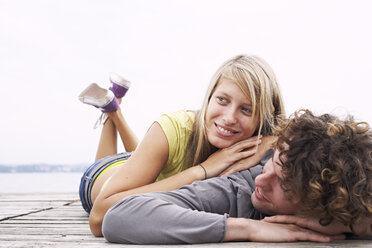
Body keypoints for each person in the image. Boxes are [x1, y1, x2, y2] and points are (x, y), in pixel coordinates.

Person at [78, 55, 285, 236]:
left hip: (148, 169)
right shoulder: (174, 127)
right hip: (102, 175)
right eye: (222, 100)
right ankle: (113, 111)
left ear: (263, 119)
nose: (230, 118)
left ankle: (113, 102)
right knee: (112, 171)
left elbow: (298, 130)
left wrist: (271, 140)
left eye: (246, 110)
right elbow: (98, 218)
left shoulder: (263, 144)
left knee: (138, 158)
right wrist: (202, 170)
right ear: (209, 97)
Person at [101, 109, 372, 244]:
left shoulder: (342, 197)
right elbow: (119, 215)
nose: (261, 180)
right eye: (272, 164)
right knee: (103, 172)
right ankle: (112, 114)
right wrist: (249, 227)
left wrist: (350, 223)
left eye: (285, 187)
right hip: (102, 177)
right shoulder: (240, 189)